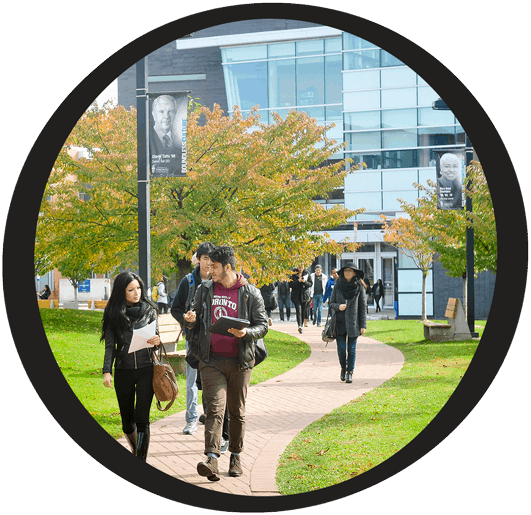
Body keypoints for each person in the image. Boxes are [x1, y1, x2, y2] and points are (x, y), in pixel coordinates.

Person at [183, 245, 268, 481]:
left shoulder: (251, 293)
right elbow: (195, 316)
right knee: (214, 409)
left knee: (237, 412)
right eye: (208, 266)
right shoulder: (205, 289)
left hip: (240, 362)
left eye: (215, 267)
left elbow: (263, 326)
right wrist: (190, 320)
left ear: (228, 267)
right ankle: (211, 458)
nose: (210, 271)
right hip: (211, 360)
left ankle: (236, 456)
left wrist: (246, 333)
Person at [101, 272, 161, 460]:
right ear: (122, 291)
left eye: (138, 288)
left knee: (143, 420)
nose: (137, 293)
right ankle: (137, 451)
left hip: (146, 369)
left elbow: (157, 338)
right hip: (123, 371)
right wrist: (106, 371)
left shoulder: (150, 310)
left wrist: (157, 340)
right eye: (131, 289)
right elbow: (110, 346)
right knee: (127, 423)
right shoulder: (113, 314)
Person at [171, 242, 216, 436]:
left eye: (210, 259)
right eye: (204, 258)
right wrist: (185, 320)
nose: (208, 263)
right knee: (191, 380)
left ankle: (209, 416)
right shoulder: (188, 282)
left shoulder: (218, 281)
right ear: (198, 259)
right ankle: (190, 420)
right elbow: (175, 308)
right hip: (193, 340)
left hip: (214, 339)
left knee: (210, 379)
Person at [329, 262, 367, 384]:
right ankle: (343, 368)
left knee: (351, 349)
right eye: (345, 271)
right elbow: (331, 304)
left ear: (355, 273)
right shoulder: (337, 285)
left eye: (350, 271)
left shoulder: (359, 287)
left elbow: (362, 307)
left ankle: (350, 372)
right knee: (341, 349)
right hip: (339, 323)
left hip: (354, 323)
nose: (347, 273)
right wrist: (338, 306)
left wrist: (363, 325)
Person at [289, 265, 312, 334]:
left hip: (304, 295)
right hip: (296, 295)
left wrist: (304, 281)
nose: (300, 269)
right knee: (298, 310)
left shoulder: (307, 273)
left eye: (302, 267)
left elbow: (310, 284)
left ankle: (301, 325)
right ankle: (299, 325)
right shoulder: (293, 274)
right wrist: (297, 281)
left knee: (303, 311)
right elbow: (290, 284)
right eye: (299, 267)